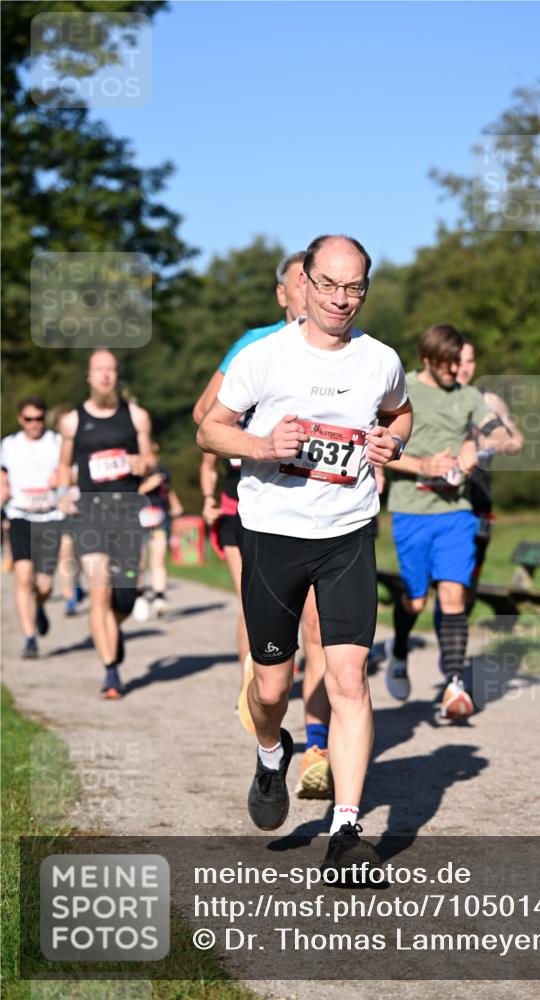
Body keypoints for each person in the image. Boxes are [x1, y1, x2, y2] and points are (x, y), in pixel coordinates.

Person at [198, 234, 412, 871]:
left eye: (355, 288)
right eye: (330, 285)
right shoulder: (264, 358)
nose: (342, 299)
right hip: (273, 534)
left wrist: (391, 445)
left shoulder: (381, 360)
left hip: (347, 534)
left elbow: (400, 415)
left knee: (349, 676)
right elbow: (208, 427)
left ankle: (345, 832)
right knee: (272, 686)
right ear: (305, 283)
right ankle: (271, 752)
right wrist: (263, 445)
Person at [196, 252, 334, 801]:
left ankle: (319, 744)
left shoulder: (347, 349)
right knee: (260, 618)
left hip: (325, 511)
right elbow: (204, 415)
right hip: (256, 503)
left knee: (320, 627)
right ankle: (259, 700)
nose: (311, 291)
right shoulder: (256, 345)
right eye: (301, 282)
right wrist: (254, 441)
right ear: (284, 293)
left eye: (317, 281)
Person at [384, 325, 511, 720]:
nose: (456, 370)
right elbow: (379, 448)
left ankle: (454, 684)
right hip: (411, 509)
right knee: (416, 600)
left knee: (454, 596)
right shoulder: (400, 389)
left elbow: (503, 434)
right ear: (427, 359)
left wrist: (477, 442)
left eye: (460, 362)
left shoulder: (468, 396)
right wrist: (423, 465)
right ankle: (400, 647)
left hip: (456, 512)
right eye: (448, 363)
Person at [58, 350, 154, 698]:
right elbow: (63, 466)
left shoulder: (136, 417)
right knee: (99, 591)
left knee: (124, 598)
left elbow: (150, 463)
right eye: (99, 370)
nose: (105, 376)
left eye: (110, 370)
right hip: (90, 515)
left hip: (126, 514)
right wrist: (64, 491)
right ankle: (111, 671)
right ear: (89, 376)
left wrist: (136, 462)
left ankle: (113, 630)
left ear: (117, 376)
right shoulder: (72, 421)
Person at [455, 335, 524, 611]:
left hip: (480, 497)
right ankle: (401, 645)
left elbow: (516, 441)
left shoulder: (489, 401)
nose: (464, 368)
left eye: (470, 361)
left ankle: (453, 646)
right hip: (440, 499)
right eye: (458, 361)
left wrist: (484, 443)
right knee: (442, 581)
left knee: (471, 573)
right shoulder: (431, 400)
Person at [1, 397, 63, 658]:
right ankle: (29, 638)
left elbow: (70, 472)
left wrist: (61, 478)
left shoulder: (56, 443)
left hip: (50, 516)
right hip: (20, 516)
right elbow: (2, 476)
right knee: (24, 576)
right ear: (20, 420)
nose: (34, 424)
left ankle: (40, 606)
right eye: (29, 419)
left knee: (46, 584)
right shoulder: (9, 445)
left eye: (38, 419)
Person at [133, 441, 184, 620]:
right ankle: (139, 596)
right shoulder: (135, 472)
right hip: (137, 521)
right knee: (139, 563)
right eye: (149, 454)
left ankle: (159, 597)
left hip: (158, 520)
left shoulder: (162, 471)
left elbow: (167, 490)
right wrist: (148, 485)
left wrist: (175, 504)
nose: (153, 459)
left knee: (158, 559)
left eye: (155, 455)